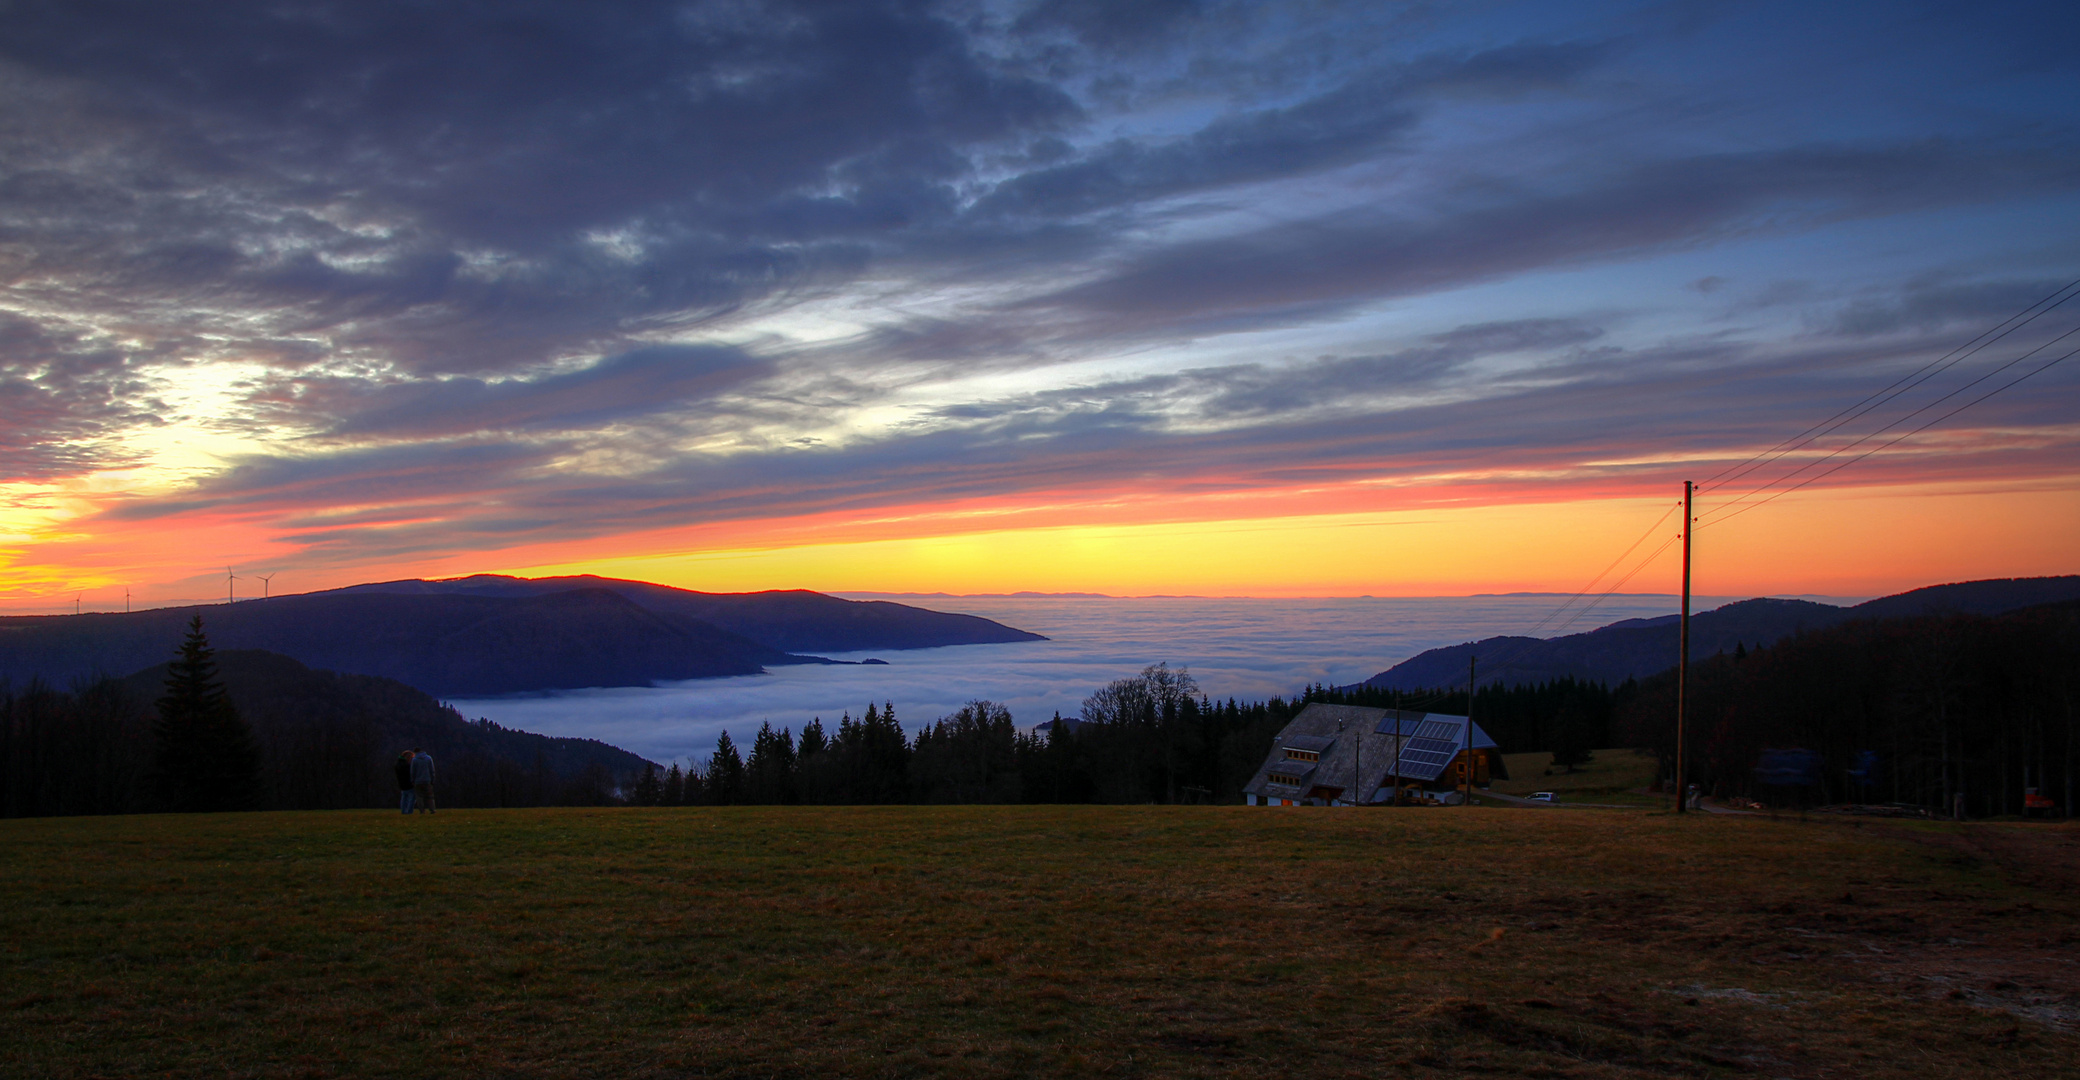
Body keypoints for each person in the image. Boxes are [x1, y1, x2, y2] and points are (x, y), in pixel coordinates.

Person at [411, 747, 436, 814]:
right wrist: (432, 779)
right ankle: (432, 809)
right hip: (427, 780)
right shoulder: (428, 758)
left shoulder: (414, 760)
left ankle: (422, 811)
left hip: (418, 781)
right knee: (430, 796)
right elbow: (432, 770)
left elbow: (413, 771)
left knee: (419, 797)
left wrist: (412, 780)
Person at [394, 749, 416, 814]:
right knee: (412, 798)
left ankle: (403, 811)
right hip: (408, 784)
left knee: (404, 798)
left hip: (401, 784)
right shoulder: (406, 765)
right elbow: (410, 774)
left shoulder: (398, 763)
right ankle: (409, 811)